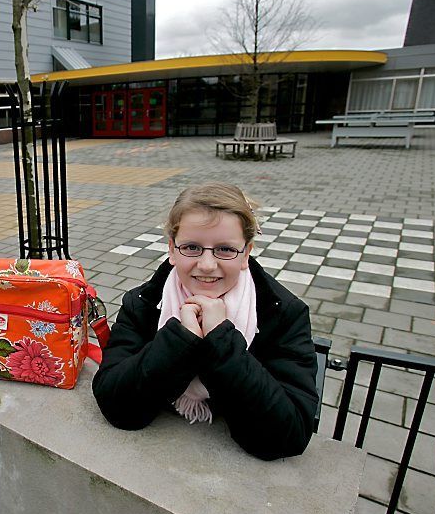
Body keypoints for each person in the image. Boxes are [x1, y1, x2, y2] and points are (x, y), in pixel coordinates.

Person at [92, 183, 318, 460]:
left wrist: (220, 340)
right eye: (191, 247)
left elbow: (288, 436)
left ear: (246, 253)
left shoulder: (282, 313)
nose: (208, 264)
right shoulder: (144, 303)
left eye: (225, 249)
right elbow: (117, 408)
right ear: (172, 251)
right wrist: (179, 340)